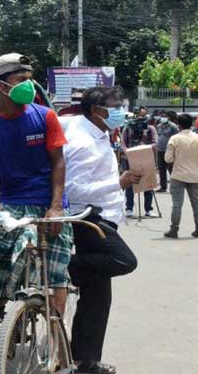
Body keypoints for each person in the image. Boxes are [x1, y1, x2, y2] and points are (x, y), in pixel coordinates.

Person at [0, 53, 72, 329]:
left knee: (55, 272)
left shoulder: (46, 116)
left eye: (30, 79)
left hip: (47, 202)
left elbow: (58, 161)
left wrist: (56, 206)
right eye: (21, 80)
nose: (29, 86)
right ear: (0, 86)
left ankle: (57, 338)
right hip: (9, 201)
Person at [63, 86, 139, 374]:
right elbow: (74, 189)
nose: (121, 110)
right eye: (116, 105)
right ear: (97, 110)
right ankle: (68, 265)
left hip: (104, 215)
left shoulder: (99, 131)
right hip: (88, 218)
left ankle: (85, 361)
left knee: (97, 298)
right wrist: (118, 184)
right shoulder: (82, 141)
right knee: (124, 260)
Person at [163, 113, 198, 239]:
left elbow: (167, 159)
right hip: (194, 176)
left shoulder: (174, 139)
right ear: (192, 124)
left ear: (179, 125)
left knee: (177, 205)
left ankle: (174, 230)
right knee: (196, 203)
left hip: (178, 175)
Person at [121, 107, 157, 217]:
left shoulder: (151, 129)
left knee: (148, 183)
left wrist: (144, 147)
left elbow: (155, 143)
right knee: (130, 184)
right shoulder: (128, 128)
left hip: (146, 158)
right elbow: (122, 143)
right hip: (131, 159)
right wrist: (127, 151)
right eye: (138, 116)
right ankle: (129, 208)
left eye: (143, 116)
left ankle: (148, 209)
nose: (140, 118)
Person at [155, 111, 179, 193]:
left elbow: (177, 138)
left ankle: (175, 187)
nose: (163, 118)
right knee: (161, 169)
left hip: (169, 151)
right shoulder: (159, 126)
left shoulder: (173, 126)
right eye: (162, 116)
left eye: (164, 116)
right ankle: (163, 187)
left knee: (171, 169)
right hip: (160, 150)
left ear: (168, 118)